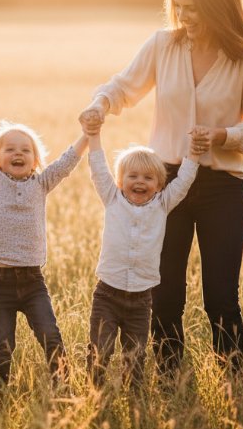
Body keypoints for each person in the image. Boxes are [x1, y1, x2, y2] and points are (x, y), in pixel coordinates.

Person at [79, 0, 243, 375]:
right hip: (164, 186)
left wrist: (222, 136)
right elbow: (122, 87)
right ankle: (170, 379)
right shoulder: (162, 45)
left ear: (218, 4)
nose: (183, 16)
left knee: (220, 295)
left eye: (193, 7)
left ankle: (233, 380)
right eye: (178, 6)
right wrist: (99, 105)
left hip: (223, 187)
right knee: (166, 293)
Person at [0, 111, 88, 387]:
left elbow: (67, 163)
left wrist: (88, 135)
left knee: (51, 336)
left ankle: (63, 387)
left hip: (32, 282)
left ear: (35, 161)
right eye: (10, 149)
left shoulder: (41, 184)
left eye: (25, 150)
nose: (18, 153)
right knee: (2, 344)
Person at [81, 117, 200, 389]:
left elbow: (184, 181)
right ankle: (93, 394)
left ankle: (135, 401)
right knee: (101, 350)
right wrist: (94, 135)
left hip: (141, 299)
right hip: (107, 294)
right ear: (121, 180)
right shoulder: (112, 199)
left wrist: (193, 153)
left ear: (159, 184)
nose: (139, 182)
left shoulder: (162, 204)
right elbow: (98, 168)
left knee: (135, 356)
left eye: (148, 178)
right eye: (132, 176)